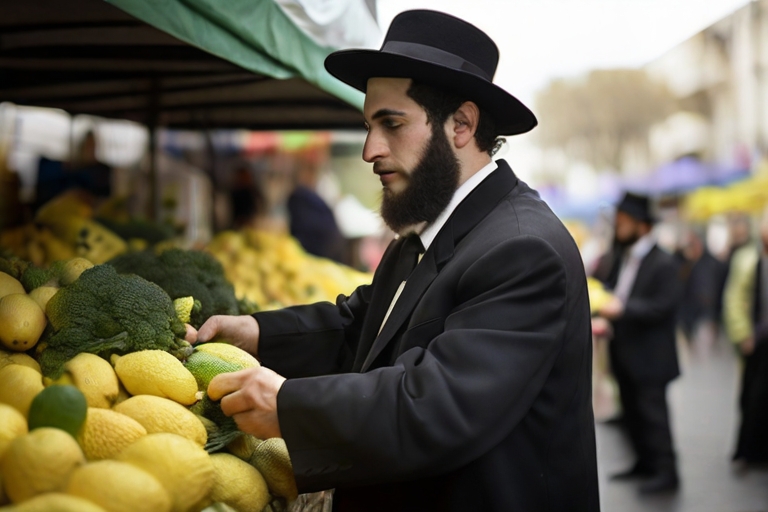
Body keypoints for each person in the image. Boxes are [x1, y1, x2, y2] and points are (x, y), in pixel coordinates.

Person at [189, 10, 599, 511]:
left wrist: (288, 407)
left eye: (392, 123)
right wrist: (255, 335)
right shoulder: (425, 234)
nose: (369, 150)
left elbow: (438, 406)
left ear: (462, 124)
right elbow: (361, 326)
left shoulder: (522, 249)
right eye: (368, 125)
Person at [592, 192, 683, 494]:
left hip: (651, 357)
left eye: (623, 222)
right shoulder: (623, 257)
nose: (617, 228)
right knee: (631, 413)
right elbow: (614, 292)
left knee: (654, 417)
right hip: (625, 352)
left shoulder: (664, 262)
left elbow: (662, 306)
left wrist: (622, 310)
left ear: (641, 226)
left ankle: (666, 472)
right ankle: (644, 464)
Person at [723, 207, 768, 466]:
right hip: (758, 340)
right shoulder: (748, 259)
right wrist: (742, 335)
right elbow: (735, 299)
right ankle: (749, 450)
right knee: (752, 397)